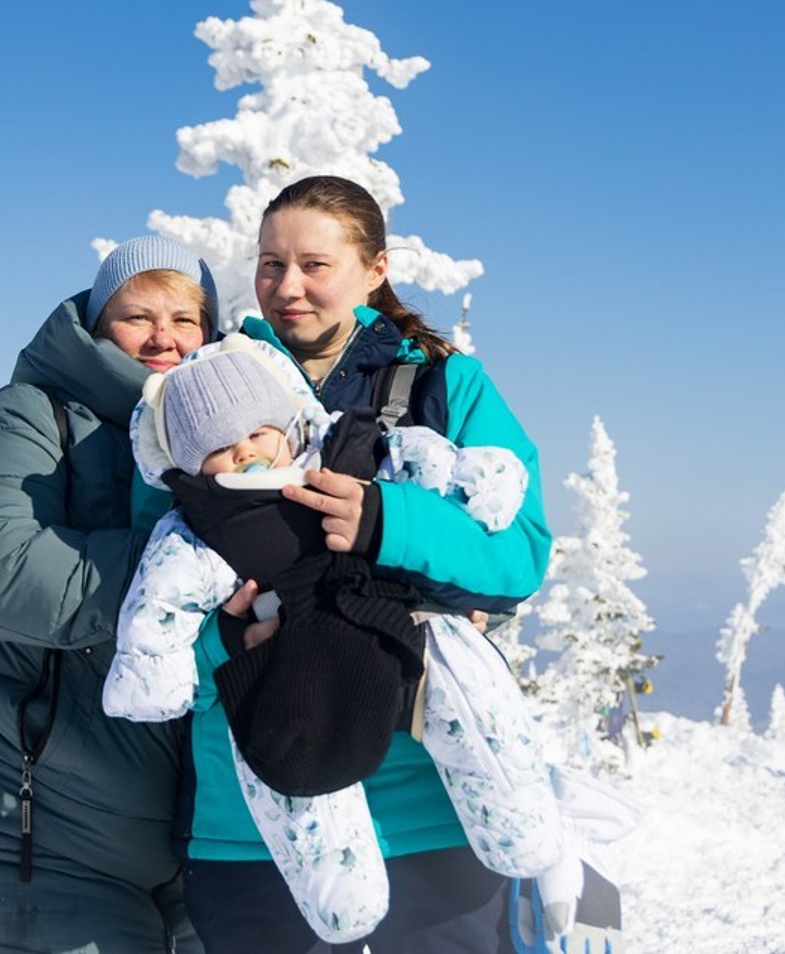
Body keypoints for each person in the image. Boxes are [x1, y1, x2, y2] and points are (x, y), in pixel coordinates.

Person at [178, 174, 555, 953]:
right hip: (257, 810)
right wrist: (223, 643)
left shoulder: (447, 387)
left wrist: (388, 522)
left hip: (428, 812)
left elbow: (518, 552)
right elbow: (150, 580)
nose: (287, 286)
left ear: (375, 270)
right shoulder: (203, 393)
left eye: (315, 265)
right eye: (271, 264)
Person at [103, 334, 570, 946]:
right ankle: (341, 898)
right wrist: (216, 647)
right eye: (218, 448)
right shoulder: (198, 516)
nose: (244, 452)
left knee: (468, 699)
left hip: (415, 729)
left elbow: (505, 550)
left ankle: (518, 820)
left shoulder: (380, 421)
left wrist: (404, 512)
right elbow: (157, 602)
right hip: (275, 726)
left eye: (257, 433)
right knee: (299, 774)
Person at [0, 235, 218, 953]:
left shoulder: (228, 437)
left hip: (191, 840)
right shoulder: (32, 412)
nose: (163, 337)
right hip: (18, 830)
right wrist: (182, 571)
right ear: (97, 325)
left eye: (184, 319)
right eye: (137, 316)